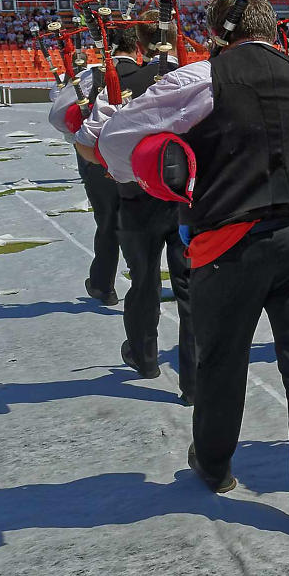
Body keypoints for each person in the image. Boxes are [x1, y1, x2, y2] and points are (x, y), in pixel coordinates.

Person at [96, 0, 289, 539]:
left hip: (231, 239)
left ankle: (214, 465)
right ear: (274, 31)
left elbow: (116, 142)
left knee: (221, 361)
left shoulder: (200, 80)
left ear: (219, 35)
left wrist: (159, 169)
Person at [75, 22, 194, 393]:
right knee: (189, 287)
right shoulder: (191, 76)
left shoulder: (116, 82)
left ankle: (144, 357)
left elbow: (85, 142)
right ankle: (194, 380)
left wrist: (111, 165)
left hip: (136, 197)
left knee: (142, 281)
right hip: (184, 199)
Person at [49, 24, 139, 306]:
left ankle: (103, 285)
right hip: (138, 160)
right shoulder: (150, 73)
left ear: (105, 47)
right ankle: (142, 280)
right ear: (136, 47)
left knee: (107, 220)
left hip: (97, 158)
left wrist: (76, 140)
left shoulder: (91, 76)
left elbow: (57, 114)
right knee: (139, 220)